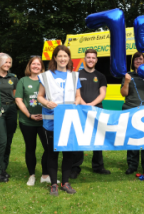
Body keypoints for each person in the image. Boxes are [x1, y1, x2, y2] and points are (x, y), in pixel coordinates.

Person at [37, 45, 81, 196]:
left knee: (68, 154)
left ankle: (65, 183)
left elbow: (78, 96)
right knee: (52, 154)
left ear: (69, 58)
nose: (63, 59)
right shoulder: (46, 76)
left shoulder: (74, 76)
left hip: (69, 121)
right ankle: (54, 184)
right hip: (51, 122)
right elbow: (40, 96)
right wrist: (46, 103)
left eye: (65, 56)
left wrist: (77, 101)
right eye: (60, 56)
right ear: (55, 58)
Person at [71, 49, 111, 178]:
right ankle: (75, 167)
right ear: (84, 59)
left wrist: (91, 105)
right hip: (80, 110)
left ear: (96, 60)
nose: (91, 60)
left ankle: (98, 166)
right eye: (88, 57)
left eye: (93, 58)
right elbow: (75, 93)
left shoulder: (101, 76)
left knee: (98, 138)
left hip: (97, 110)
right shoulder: (76, 75)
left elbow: (103, 94)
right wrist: (84, 104)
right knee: (79, 138)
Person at [15, 56, 53, 186]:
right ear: (29, 66)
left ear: (42, 67)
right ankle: (31, 175)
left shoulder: (47, 81)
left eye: (38, 64)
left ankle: (45, 175)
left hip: (45, 121)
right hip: (27, 121)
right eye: (33, 64)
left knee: (48, 148)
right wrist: (29, 115)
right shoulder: (23, 81)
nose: (36, 66)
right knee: (30, 148)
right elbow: (18, 100)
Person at [0, 53, 18, 182]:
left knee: (8, 142)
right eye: (5, 62)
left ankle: (2, 169)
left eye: (9, 62)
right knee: (1, 141)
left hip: (12, 110)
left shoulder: (13, 78)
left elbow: (15, 96)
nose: (7, 65)